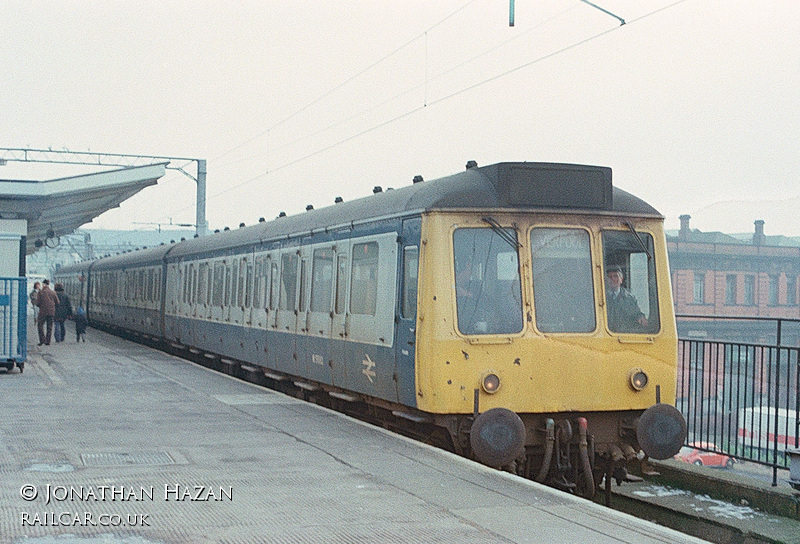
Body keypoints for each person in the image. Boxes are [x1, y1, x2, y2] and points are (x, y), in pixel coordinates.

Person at [605, 266, 647, 332]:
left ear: (621, 279)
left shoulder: (630, 299)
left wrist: (641, 317)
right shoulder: (600, 297)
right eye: (609, 277)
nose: (612, 279)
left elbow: (636, 313)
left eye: (615, 276)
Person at [36, 279, 59, 346]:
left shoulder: (41, 292)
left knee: (40, 325)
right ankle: (48, 341)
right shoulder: (53, 292)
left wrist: (41, 306)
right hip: (51, 312)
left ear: (43, 284)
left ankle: (42, 340)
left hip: (43, 312)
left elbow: (38, 303)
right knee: (49, 326)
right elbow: (57, 302)